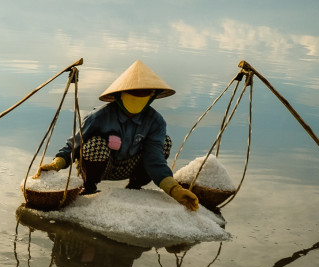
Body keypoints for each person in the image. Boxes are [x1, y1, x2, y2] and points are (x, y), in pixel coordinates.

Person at [37, 60, 199, 211]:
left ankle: (134, 188)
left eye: (145, 93)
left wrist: (175, 189)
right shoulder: (100, 116)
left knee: (165, 142)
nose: (139, 96)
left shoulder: (155, 122)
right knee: (94, 144)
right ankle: (89, 187)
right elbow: (76, 144)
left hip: (130, 166)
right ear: (120, 94)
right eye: (134, 92)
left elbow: (154, 160)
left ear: (152, 95)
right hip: (101, 166)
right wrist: (56, 164)